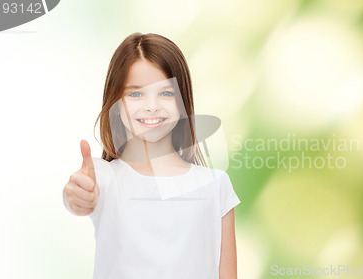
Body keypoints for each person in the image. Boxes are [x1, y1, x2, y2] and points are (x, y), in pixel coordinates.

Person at [62, 32, 240, 279]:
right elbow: (78, 194)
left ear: (182, 98)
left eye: (166, 93)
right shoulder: (103, 177)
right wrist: (77, 196)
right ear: (116, 101)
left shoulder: (215, 185)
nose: (152, 106)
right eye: (135, 93)